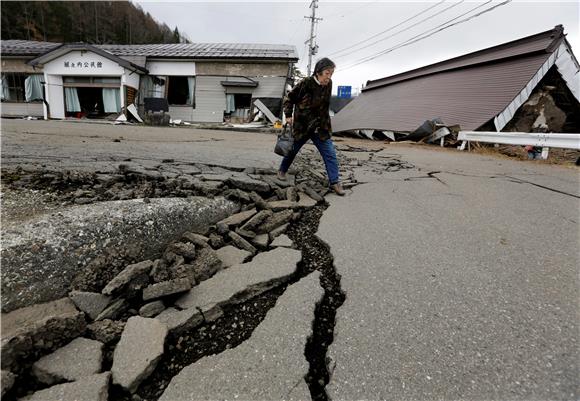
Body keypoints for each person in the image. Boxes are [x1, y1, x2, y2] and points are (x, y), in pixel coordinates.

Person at [278, 57, 345, 196]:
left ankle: (335, 182)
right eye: (327, 73)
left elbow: (324, 105)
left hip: (320, 127)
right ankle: (282, 170)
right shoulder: (305, 83)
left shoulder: (329, 84)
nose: (329, 77)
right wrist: (288, 115)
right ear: (318, 72)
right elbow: (289, 99)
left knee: (330, 154)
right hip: (303, 126)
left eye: (331, 73)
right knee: (292, 150)